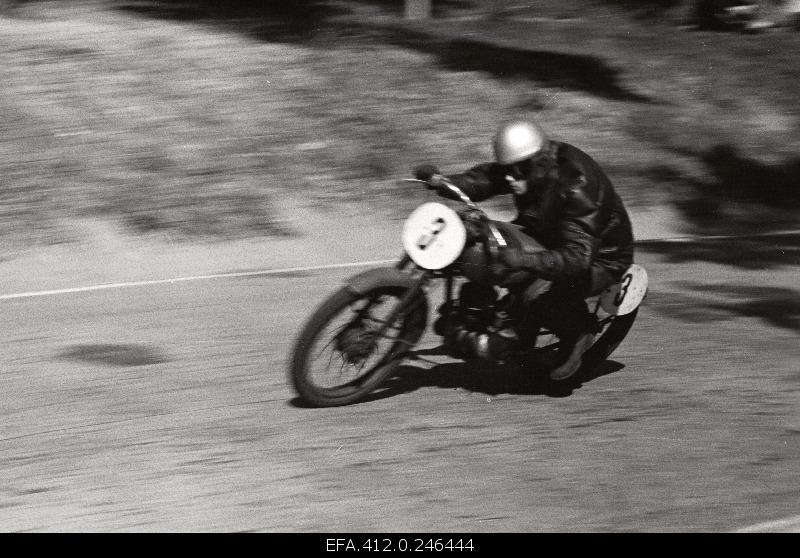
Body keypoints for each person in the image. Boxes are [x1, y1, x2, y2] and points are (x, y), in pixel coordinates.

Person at [413, 120, 635, 381]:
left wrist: (523, 259)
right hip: (549, 234)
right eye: (508, 170)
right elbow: (487, 178)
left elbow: (577, 259)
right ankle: (492, 318)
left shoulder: (578, 189)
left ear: (539, 164)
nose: (509, 178)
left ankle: (578, 331)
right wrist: (443, 183)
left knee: (535, 293)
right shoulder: (526, 166)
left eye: (516, 172)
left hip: (600, 258)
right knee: (482, 242)